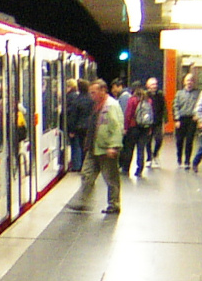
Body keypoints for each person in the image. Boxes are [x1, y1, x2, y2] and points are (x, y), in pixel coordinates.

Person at [65, 79, 123, 215]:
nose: (91, 95)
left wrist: (113, 146)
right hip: (94, 148)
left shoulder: (111, 106)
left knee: (111, 178)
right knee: (86, 174)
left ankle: (114, 204)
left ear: (103, 90)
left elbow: (117, 127)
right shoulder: (97, 105)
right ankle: (82, 201)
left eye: (94, 92)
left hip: (106, 148)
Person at [124, 85, 154, 176]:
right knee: (141, 149)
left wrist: (126, 127)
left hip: (133, 127)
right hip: (145, 128)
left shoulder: (132, 100)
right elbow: (151, 115)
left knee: (130, 148)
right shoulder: (148, 101)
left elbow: (128, 114)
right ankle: (139, 169)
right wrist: (150, 128)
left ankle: (126, 168)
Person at [64, 79, 92, 172]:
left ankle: (80, 166)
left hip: (80, 128)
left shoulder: (77, 100)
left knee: (80, 146)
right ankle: (88, 166)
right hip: (91, 127)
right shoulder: (92, 99)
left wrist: (71, 130)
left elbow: (73, 116)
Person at [173, 74, 198, 166]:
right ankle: (179, 157)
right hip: (181, 119)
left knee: (189, 140)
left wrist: (197, 115)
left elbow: (200, 106)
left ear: (193, 82)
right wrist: (176, 119)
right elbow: (175, 106)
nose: (189, 82)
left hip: (192, 119)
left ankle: (187, 160)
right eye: (187, 80)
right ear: (184, 82)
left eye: (191, 80)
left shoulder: (197, 94)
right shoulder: (179, 93)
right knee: (179, 140)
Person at [146, 77, 166, 166]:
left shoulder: (160, 94)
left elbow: (164, 107)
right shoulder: (145, 95)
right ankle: (149, 158)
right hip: (148, 122)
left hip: (158, 121)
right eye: (152, 84)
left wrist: (165, 119)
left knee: (159, 139)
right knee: (148, 141)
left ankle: (155, 154)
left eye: (156, 84)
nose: (155, 86)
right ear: (148, 86)